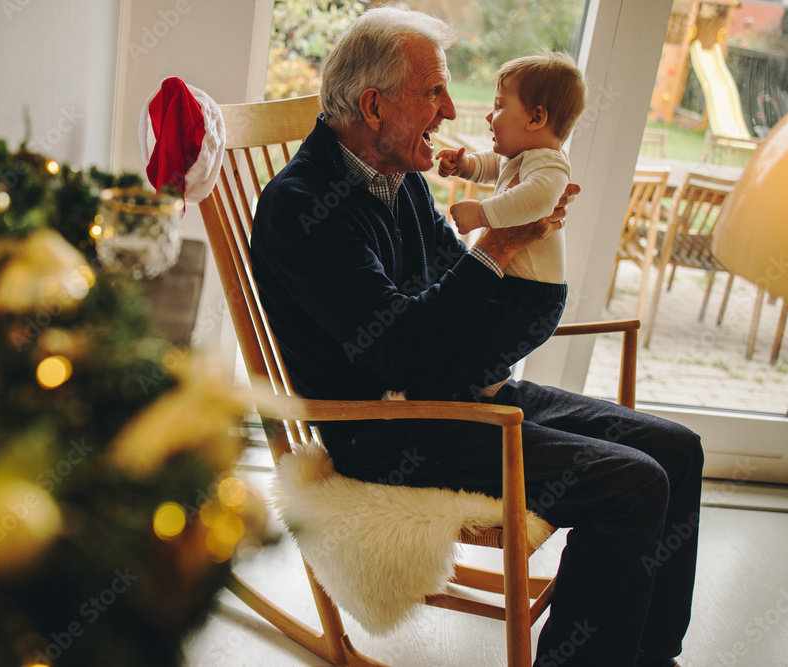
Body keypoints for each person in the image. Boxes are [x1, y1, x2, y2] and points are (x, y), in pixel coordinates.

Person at [250, 5, 701, 667]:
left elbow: (446, 288)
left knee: (676, 449)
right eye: (433, 91)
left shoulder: (395, 178)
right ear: (374, 105)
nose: (450, 109)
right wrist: (497, 244)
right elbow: (403, 346)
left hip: (454, 387)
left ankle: (647, 651)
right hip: (386, 426)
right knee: (631, 483)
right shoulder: (302, 209)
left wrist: (520, 248)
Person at [435, 49, 586, 397]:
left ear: (536, 118)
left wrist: (481, 214)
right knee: (476, 344)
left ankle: (483, 398)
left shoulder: (550, 165)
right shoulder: (522, 157)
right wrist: (465, 166)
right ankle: (493, 391)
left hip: (532, 300)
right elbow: (492, 164)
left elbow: (537, 200)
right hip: (510, 287)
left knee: (475, 354)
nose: (490, 115)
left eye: (500, 106)